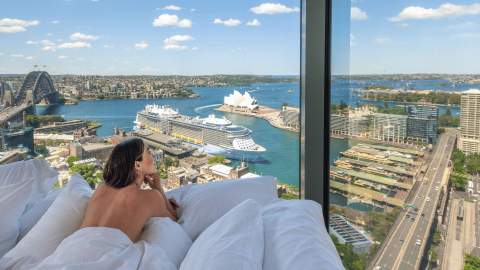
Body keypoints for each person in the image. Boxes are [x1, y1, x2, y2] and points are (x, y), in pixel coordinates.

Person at [80, 138, 178, 242]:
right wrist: (158, 187)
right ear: (137, 165)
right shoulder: (151, 197)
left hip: (71, 248)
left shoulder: (102, 186)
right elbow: (174, 220)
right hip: (107, 255)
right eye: (149, 152)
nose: (153, 155)